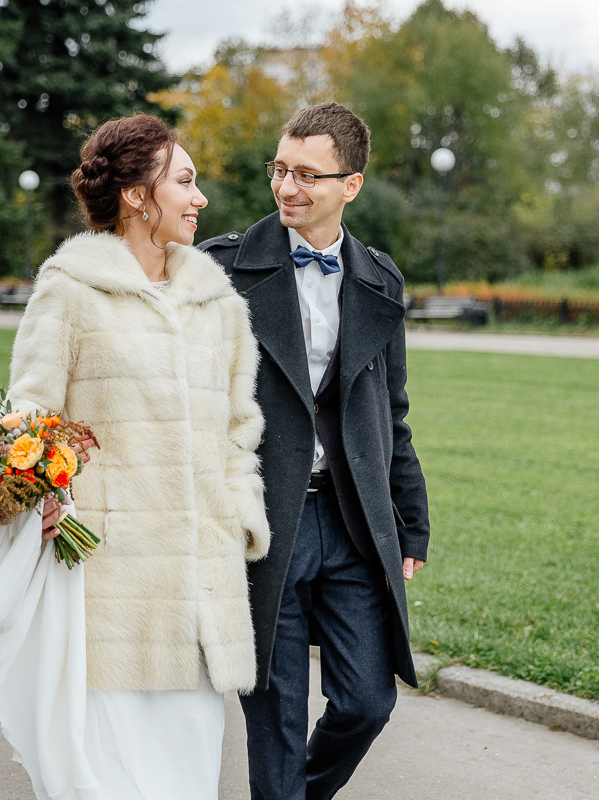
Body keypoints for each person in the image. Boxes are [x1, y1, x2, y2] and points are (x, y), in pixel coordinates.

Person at [0, 113, 270, 798]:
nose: (200, 197)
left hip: (200, 591)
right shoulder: (69, 290)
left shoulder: (220, 304)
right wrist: (51, 497)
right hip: (110, 586)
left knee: (185, 777)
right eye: (184, 181)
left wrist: (240, 517)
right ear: (136, 196)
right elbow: (28, 415)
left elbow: (242, 430)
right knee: (114, 779)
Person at [200, 101, 431, 800]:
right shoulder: (222, 269)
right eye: (280, 169)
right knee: (274, 713)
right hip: (263, 520)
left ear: (350, 185)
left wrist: (411, 521)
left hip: (352, 522)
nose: (287, 187)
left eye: (308, 174)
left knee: (367, 702)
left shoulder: (379, 277)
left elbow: (391, 414)